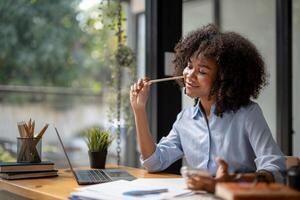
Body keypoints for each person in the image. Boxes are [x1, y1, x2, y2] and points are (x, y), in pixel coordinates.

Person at [130, 24, 286, 193]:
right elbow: (154, 162)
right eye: (189, 66)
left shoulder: (248, 113)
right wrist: (139, 110)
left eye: (202, 71)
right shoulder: (185, 119)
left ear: (223, 79)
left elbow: (275, 167)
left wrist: (232, 180)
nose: (189, 75)